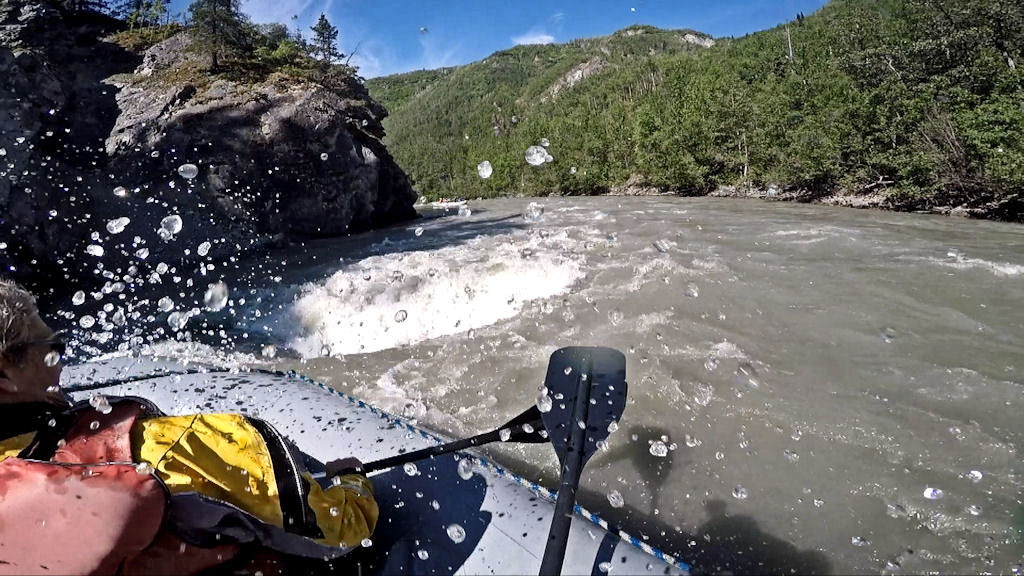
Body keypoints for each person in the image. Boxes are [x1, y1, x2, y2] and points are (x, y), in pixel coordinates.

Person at [0, 278, 378, 575]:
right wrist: (352, 481)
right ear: (6, 375)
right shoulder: (175, 448)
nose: (60, 359)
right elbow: (341, 531)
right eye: (53, 345)